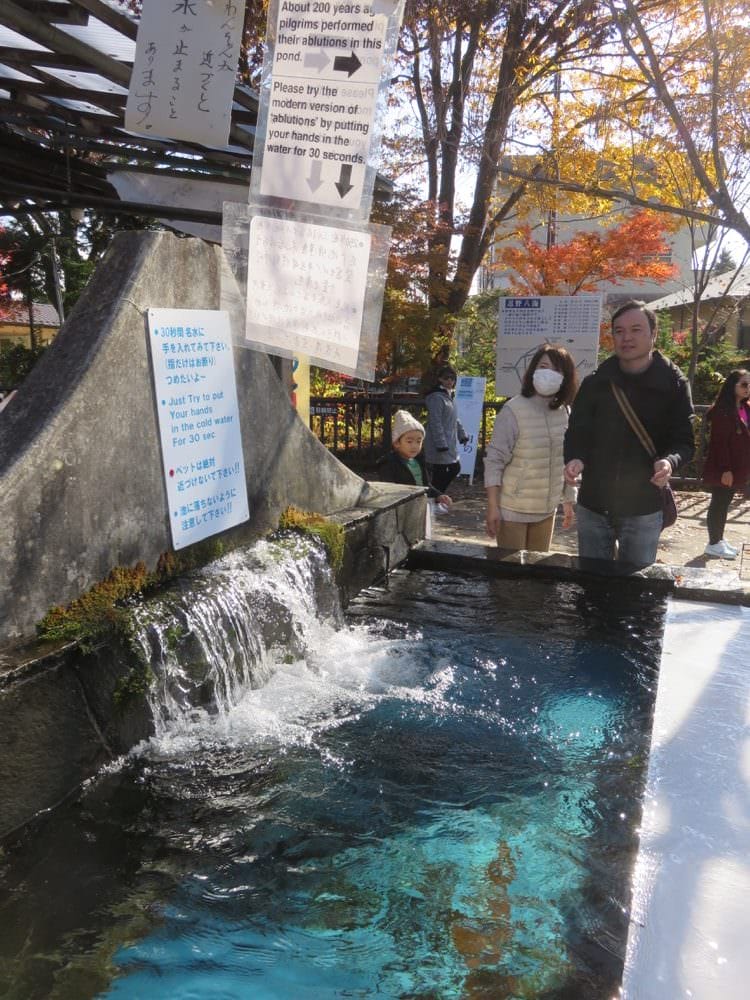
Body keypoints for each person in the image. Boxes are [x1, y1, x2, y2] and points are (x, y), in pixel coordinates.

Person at [563, 300, 695, 567]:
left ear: (653, 334)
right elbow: (577, 432)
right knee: (592, 582)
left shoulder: (673, 383)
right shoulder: (596, 382)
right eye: (619, 331)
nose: (627, 338)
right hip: (593, 502)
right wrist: (575, 457)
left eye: (636, 329)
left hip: (643, 506)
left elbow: (684, 441)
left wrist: (669, 461)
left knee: (636, 585)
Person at [485, 344, 578, 551]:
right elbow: (494, 461)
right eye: (543, 366)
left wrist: (568, 499)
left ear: (565, 377)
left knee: (538, 568)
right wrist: (492, 507)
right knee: (511, 569)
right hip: (512, 509)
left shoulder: (564, 411)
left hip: (547, 510)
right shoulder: (513, 410)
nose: (548, 373)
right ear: (533, 369)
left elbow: (565, 460)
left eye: (557, 370)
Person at [701, 369, 750, 559]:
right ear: (732, 386)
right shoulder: (722, 411)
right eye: (744, 384)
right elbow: (719, 443)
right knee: (719, 503)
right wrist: (725, 469)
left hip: (738, 465)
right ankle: (713, 543)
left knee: (724, 503)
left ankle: (718, 539)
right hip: (725, 466)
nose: (748, 388)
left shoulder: (744, 407)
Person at [378, 409, 453, 512]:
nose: (414, 446)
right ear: (397, 443)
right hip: (401, 510)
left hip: (419, 507)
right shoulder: (389, 464)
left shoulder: (419, 461)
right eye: (409, 441)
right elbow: (389, 489)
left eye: (418, 441)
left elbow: (425, 485)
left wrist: (438, 495)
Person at [423, 365, 468, 494]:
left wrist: (462, 435)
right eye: (446, 378)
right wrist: (441, 444)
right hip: (439, 444)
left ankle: (435, 496)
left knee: (450, 469)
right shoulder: (436, 397)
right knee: (445, 471)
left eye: (452, 378)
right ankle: (434, 497)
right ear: (440, 379)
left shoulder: (449, 396)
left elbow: (455, 418)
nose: (449, 381)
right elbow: (435, 422)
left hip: (449, 442)